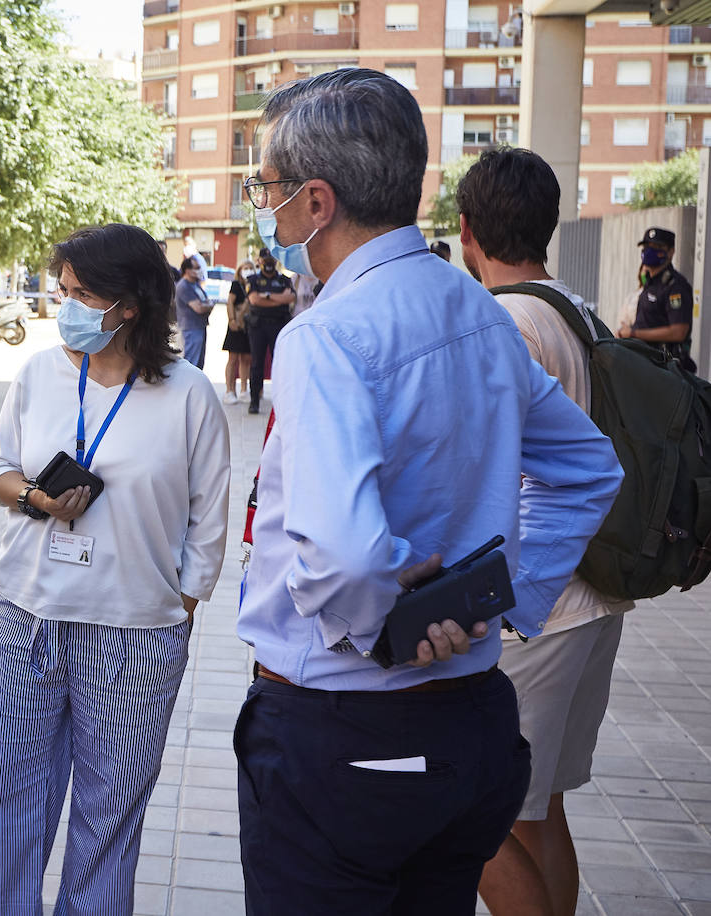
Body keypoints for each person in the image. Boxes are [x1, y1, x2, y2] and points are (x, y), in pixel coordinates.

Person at [234, 68, 623, 915]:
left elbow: (341, 554)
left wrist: (392, 633)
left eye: (265, 188)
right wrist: (502, 601)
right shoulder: (478, 308)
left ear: (315, 202)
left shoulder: (329, 336)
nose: (261, 207)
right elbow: (589, 469)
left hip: (345, 733)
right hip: (472, 722)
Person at [0, 223, 230, 915]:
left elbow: (210, 516)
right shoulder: (39, 373)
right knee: (6, 805)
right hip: (24, 616)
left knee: (108, 817)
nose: (66, 308)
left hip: (134, 634)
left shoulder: (188, 395)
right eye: (63, 291)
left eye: (83, 294)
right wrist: (33, 497)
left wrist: (180, 603)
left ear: (131, 305)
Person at [458, 148, 636, 916]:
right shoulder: (574, 307)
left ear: (467, 231)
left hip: (539, 607)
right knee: (539, 810)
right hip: (591, 598)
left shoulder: (504, 321)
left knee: (476, 813)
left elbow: (490, 471)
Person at [619, 227, 697, 373]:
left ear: (671, 252)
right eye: (647, 247)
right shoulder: (650, 283)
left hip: (665, 370)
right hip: (644, 363)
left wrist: (634, 333)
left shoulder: (675, 286)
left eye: (657, 247)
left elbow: (679, 331)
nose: (649, 251)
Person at [244, 248, 294, 414]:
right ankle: (254, 401)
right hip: (258, 326)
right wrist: (277, 299)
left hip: (278, 325)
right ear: (259, 261)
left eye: (272, 260)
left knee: (279, 363)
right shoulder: (253, 279)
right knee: (257, 364)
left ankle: (281, 400)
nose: (269, 263)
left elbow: (290, 298)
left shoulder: (284, 280)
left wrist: (265, 297)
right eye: (266, 260)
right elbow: (253, 299)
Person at [221, 258, 256, 404]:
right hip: (236, 324)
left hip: (248, 326)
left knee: (246, 359)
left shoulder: (254, 284)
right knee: (233, 358)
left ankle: (243, 390)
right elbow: (230, 302)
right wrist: (232, 320)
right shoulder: (236, 285)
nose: (247, 270)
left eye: (250, 267)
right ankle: (229, 390)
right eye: (244, 267)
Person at [173, 255, 212, 367]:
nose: (200, 270)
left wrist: (206, 305)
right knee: (191, 362)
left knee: (199, 363)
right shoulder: (184, 286)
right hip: (190, 329)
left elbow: (207, 302)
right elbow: (199, 308)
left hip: (200, 326)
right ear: (188, 270)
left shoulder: (196, 285)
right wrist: (207, 306)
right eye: (197, 268)